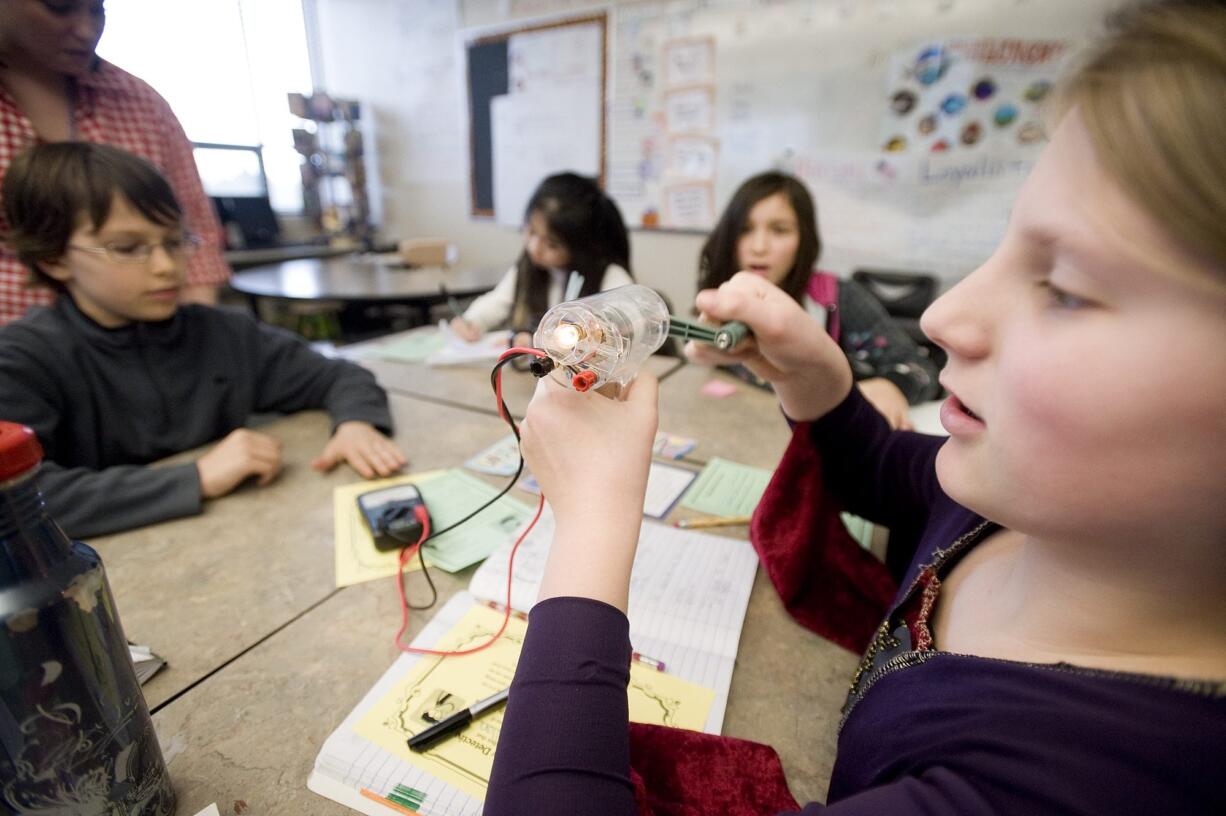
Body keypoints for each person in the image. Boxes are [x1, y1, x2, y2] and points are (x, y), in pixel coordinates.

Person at [486, 2, 1226, 813]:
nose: (944, 317)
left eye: (1068, 288)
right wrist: (817, 377)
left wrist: (589, 527)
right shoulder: (1020, 510)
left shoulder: (1077, 786)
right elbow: (885, 471)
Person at [0, 142, 406, 538]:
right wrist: (195, 478)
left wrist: (356, 422)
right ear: (52, 257)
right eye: (128, 248)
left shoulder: (225, 334)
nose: (166, 266)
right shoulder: (23, 359)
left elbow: (338, 376)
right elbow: (15, 497)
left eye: (175, 242)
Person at [0, 0, 228, 325]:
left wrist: (195, 346)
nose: (87, 30)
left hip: (142, 345)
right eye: (59, 8)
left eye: (98, 9)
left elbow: (197, 229)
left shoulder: (139, 101)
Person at [700, 171, 938, 429]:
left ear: (804, 239)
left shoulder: (841, 298)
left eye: (779, 230)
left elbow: (920, 367)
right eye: (745, 230)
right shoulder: (722, 297)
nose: (759, 246)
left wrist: (891, 386)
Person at [450, 172, 634, 347]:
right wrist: (472, 321)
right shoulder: (528, 267)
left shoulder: (607, 274)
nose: (534, 248)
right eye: (531, 231)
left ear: (581, 247)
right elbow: (497, 302)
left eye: (552, 245)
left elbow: (629, 318)